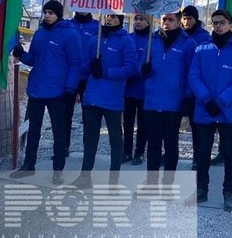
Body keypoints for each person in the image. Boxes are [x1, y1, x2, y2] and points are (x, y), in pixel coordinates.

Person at [10, 0, 81, 183]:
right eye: (45, 12)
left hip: (58, 92)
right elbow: (33, 59)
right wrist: (21, 53)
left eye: (51, 12)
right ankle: (29, 165)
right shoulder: (40, 33)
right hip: (36, 89)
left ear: (58, 14)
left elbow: (75, 64)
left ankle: (58, 170)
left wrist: (70, 88)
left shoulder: (70, 35)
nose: (47, 15)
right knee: (33, 130)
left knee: (59, 132)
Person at [185, 9, 232, 211]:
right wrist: (205, 98)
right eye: (215, 23)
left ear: (230, 24)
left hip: (227, 111)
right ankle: (201, 189)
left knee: (230, 153)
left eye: (222, 22)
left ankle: (228, 191)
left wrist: (221, 101)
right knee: (202, 152)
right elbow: (194, 76)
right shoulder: (201, 48)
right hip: (205, 110)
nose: (218, 26)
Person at [72, 14, 138, 188]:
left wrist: (107, 72)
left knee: (115, 139)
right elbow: (83, 66)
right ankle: (85, 176)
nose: (109, 19)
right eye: (108, 16)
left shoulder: (126, 41)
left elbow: (131, 67)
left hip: (113, 98)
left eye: (114, 17)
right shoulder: (95, 40)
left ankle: (113, 179)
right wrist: (91, 66)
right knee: (90, 138)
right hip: (92, 96)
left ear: (120, 20)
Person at [141, 12, 197, 188]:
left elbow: (192, 73)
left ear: (179, 21)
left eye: (171, 19)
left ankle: (168, 182)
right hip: (152, 99)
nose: (166, 23)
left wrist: (187, 98)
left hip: (174, 101)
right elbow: (141, 64)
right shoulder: (152, 40)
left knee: (171, 143)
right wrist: (144, 68)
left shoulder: (188, 44)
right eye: (164, 19)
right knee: (153, 144)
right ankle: (151, 182)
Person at [62, 11, 100, 158]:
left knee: (89, 116)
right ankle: (63, 147)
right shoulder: (68, 25)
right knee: (65, 113)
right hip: (69, 76)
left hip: (88, 77)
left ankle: (88, 148)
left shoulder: (96, 27)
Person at [181, 5, 211, 170]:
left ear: (196, 19)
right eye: (184, 18)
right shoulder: (178, 35)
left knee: (196, 127)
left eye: (190, 18)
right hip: (178, 87)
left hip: (194, 90)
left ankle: (197, 156)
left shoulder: (204, 37)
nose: (186, 21)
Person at [124, 14, 151, 165]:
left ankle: (139, 152)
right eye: (137, 19)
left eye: (142, 20)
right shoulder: (128, 38)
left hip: (143, 88)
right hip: (128, 87)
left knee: (142, 123)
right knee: (127, 122)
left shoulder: (153, 40)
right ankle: (126, 151)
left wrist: (139, 72)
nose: (138, 22)